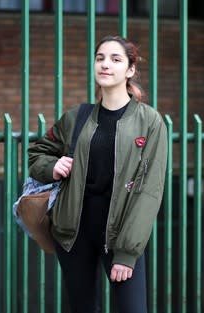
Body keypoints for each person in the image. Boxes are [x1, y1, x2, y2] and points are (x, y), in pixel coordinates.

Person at [28, 35, 167, 313]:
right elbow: (37, 154)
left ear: (129, 70)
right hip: (73, 233)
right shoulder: (76, 117)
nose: (105, 64)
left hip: (120, 233)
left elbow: (148, 191)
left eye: (115, 59)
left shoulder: (149, 121)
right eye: (100, 58)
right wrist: (52, 168)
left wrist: (126, 254)